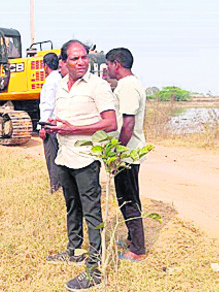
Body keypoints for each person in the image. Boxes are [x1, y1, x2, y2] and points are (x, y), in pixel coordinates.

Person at [44, 39, 117, 291]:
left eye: (84, 57)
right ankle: (74, 250)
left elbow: (110, 123)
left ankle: (95, 269)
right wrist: (55, 124)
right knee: (71, 206)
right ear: (63, 62)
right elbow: (67, 118)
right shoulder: (61, 86)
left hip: (86, 159)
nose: (81, 62)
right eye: (75, 58)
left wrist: (77, 129)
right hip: (64, 156)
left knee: (91, 212)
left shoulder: (98, 86)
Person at [105, 47, 148, 262]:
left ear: (116, 64)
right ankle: (133, 238)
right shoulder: (128, 84)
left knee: (128, 199)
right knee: (127, 197)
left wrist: (116, 153)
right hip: (128, 151)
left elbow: (128, 123)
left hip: (127, 153)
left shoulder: (128, 87)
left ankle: (138, 250)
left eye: (108, 64)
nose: (107, 68)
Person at [39, 52, 63, 193]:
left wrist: (43, 126)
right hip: (58, 123)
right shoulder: (59, 79)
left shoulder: (50, 82)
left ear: (45, 66)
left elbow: (48, 105)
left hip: (50, 124)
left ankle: (55, 186)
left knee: (51, 156)